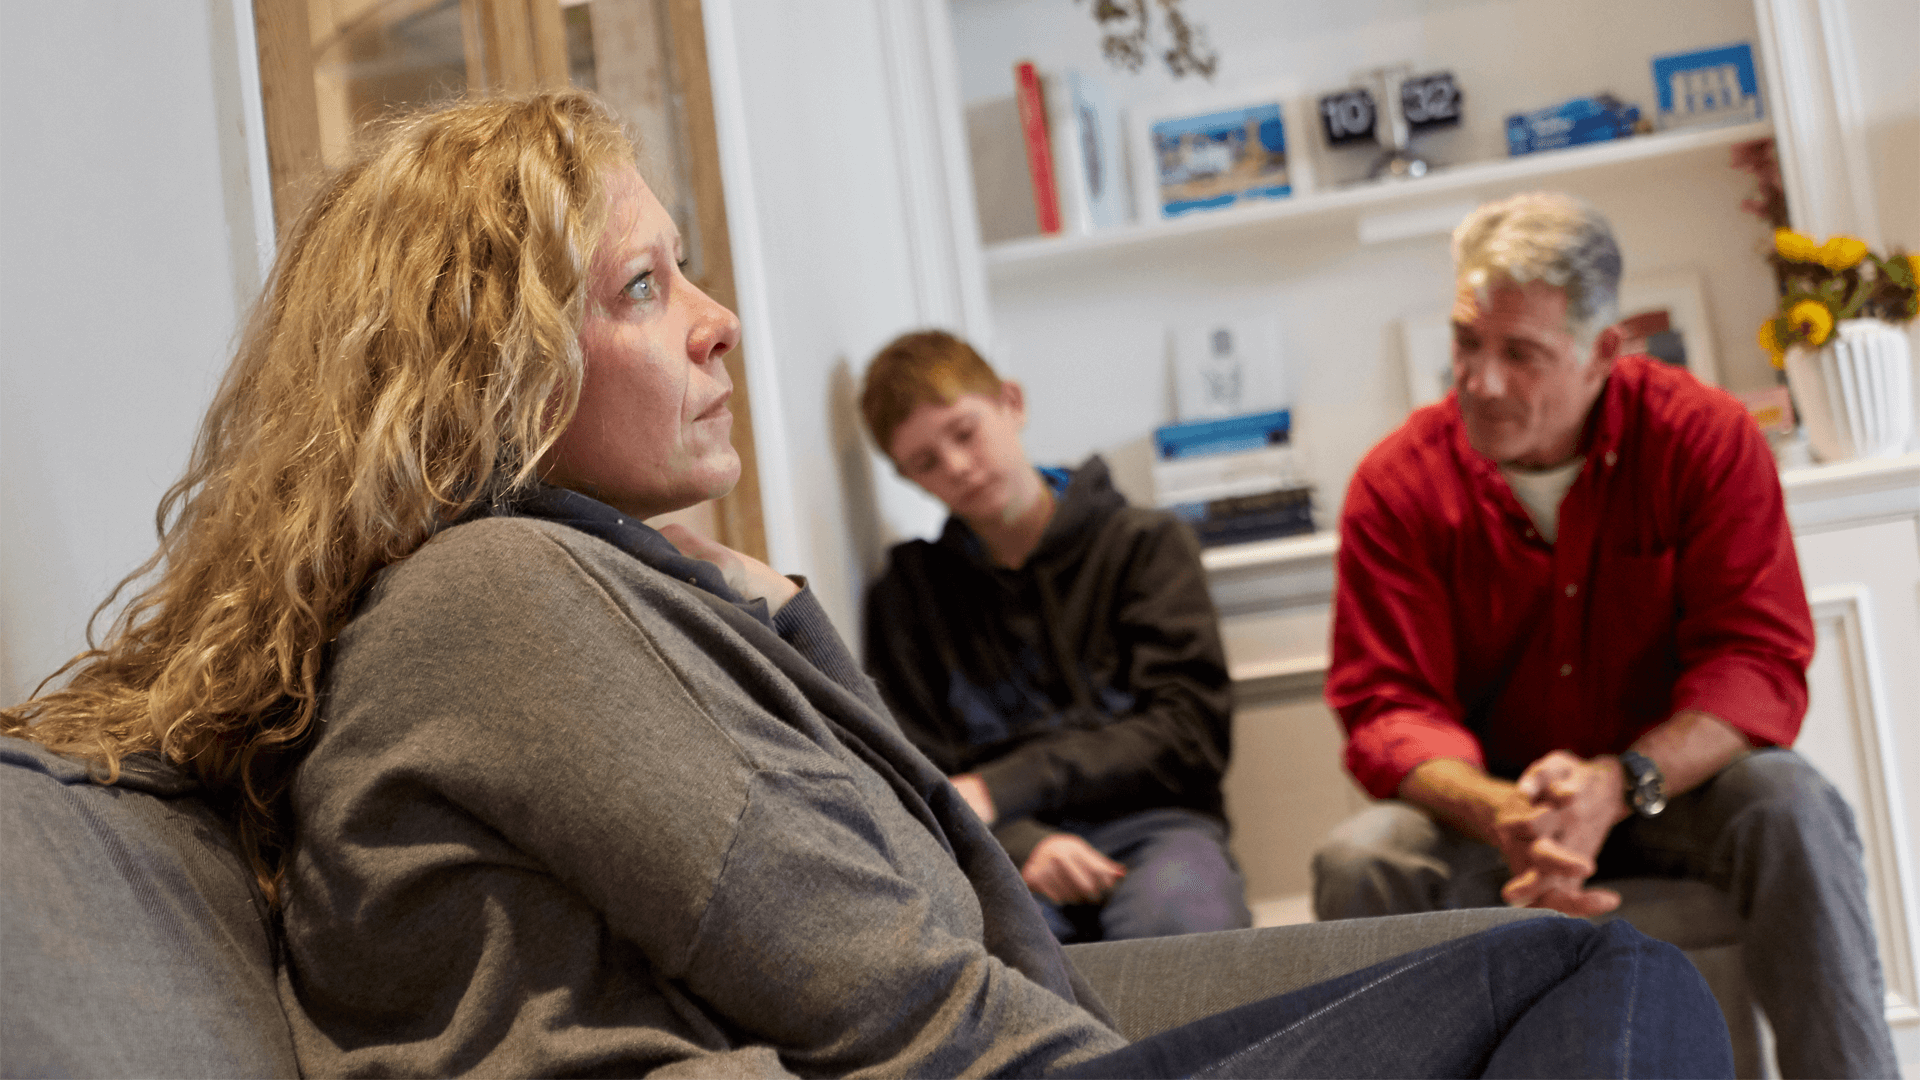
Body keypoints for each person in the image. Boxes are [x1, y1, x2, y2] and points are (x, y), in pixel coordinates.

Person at [1, 92, 1734, 1078]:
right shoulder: (506, 602)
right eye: (642, 288)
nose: (716, 323)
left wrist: (758, 605)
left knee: (1528, 966)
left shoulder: (558, 586)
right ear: (491, 369)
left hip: (988, 992)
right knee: (1609, 990)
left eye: (689, 271)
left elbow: (917, 913)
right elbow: (905, 994)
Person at [1313, 190, 1899, 1078]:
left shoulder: (1705, 438)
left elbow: (1755, 661)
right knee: (1361, 859)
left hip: (1671, 792)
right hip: (1494, 810)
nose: (1480, 380)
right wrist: (1507, 811)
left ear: (1604, 352)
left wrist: (1619, 784)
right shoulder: (1397, 484)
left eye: (1521, 353)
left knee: (1792, 805)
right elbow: (1386, 705)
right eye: (1466, 342)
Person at [858, 331, 1249, 944]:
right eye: (926, 463)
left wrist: (1002, 786)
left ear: (1011, 403)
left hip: (1160, 827)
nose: (957, 467)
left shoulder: (1146, 546)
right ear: (909, 478)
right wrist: (1021, 845)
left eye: (964, 432)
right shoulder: (906, 595)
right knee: (1001, 953)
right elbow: (915, 770)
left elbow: (1190, 734)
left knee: (1182, 927)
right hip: (998, 847)